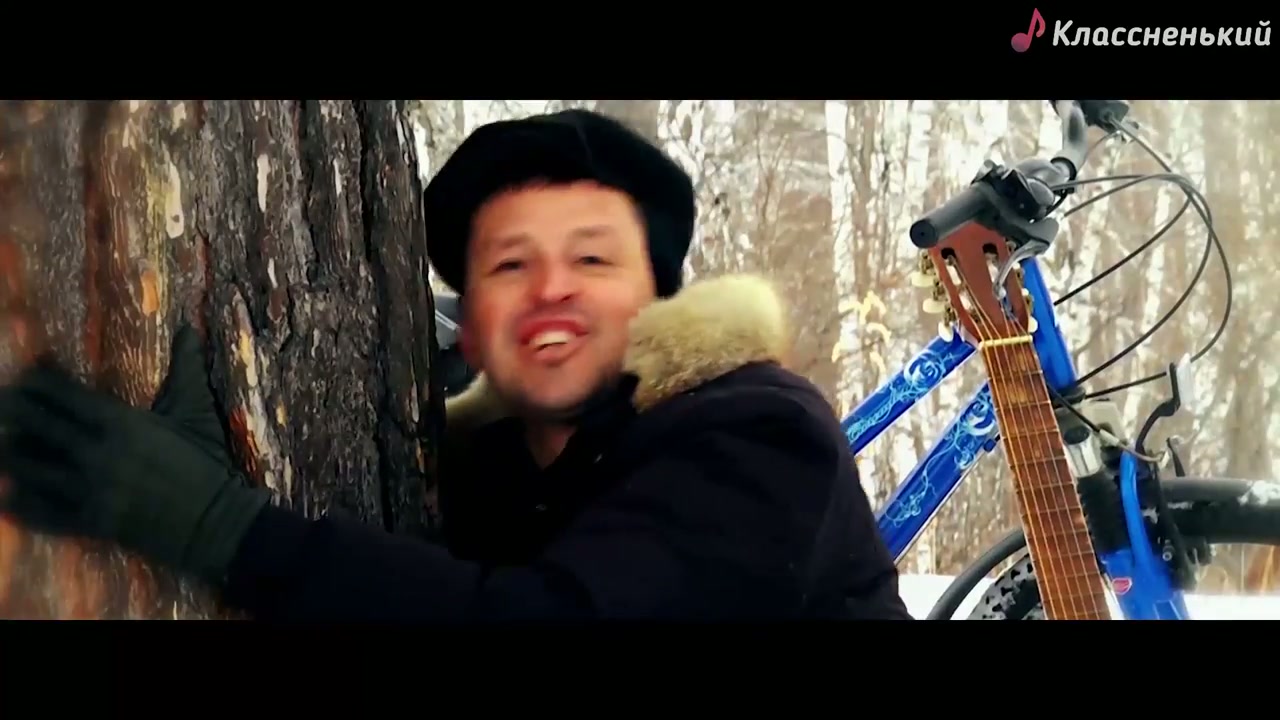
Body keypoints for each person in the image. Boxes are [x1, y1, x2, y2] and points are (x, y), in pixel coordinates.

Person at [0, 108, 910, 621]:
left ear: (658, 301)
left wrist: (218, 526)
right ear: (467, 330)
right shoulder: (490, 474)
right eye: (510, 265)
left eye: (594, 258)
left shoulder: (758, 435)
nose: (551, 288)